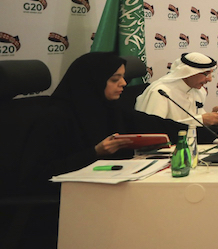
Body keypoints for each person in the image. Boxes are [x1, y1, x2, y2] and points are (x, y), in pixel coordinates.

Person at [44, 52, 185, 176]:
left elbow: (156, 125)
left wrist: (194, 132)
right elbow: (42, 171)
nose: (123, 83)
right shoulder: (55, 116)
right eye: (115, 79)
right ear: (94, 81)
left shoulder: (110, 108)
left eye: (123, 77)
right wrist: (95, 152)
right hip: (72, 195)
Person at [135, 52, 218, 143]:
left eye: (211, 73)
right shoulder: (161, 92)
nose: (209, 79)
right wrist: (201, 119)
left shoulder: (198, 90)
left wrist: (213, 117)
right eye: (205, 74)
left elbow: (197, 119)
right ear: (188, 72)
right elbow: (154, 131)